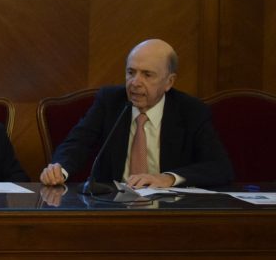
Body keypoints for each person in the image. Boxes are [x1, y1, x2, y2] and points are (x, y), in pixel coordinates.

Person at [40, 38, 233, 189]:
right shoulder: (110, 101)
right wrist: (60, 169)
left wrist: (168, 178)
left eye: (147, 75)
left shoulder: (190, 110)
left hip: (168, 212)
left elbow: (219, 167)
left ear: (169, 82)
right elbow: (77, 143)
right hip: (111, 209)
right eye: (131, 72)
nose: (135, 82)